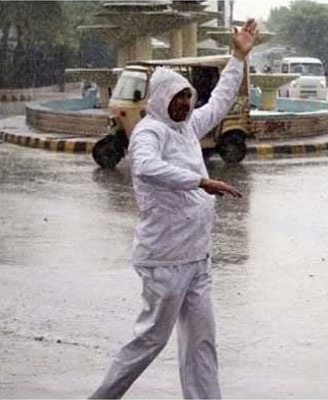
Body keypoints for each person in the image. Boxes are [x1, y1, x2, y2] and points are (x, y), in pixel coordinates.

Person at [89, 19, 258, 399]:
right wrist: (200, 181)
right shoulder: (150, 132)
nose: (184, 103)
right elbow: (146, 167)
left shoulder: (188, 128)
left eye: (187, 97)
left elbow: (219, 102)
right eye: (177, 97)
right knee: (150, 341)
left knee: (202, 344)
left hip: (197, 258)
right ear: (162, 98)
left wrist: (237, 57)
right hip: (164, 261)